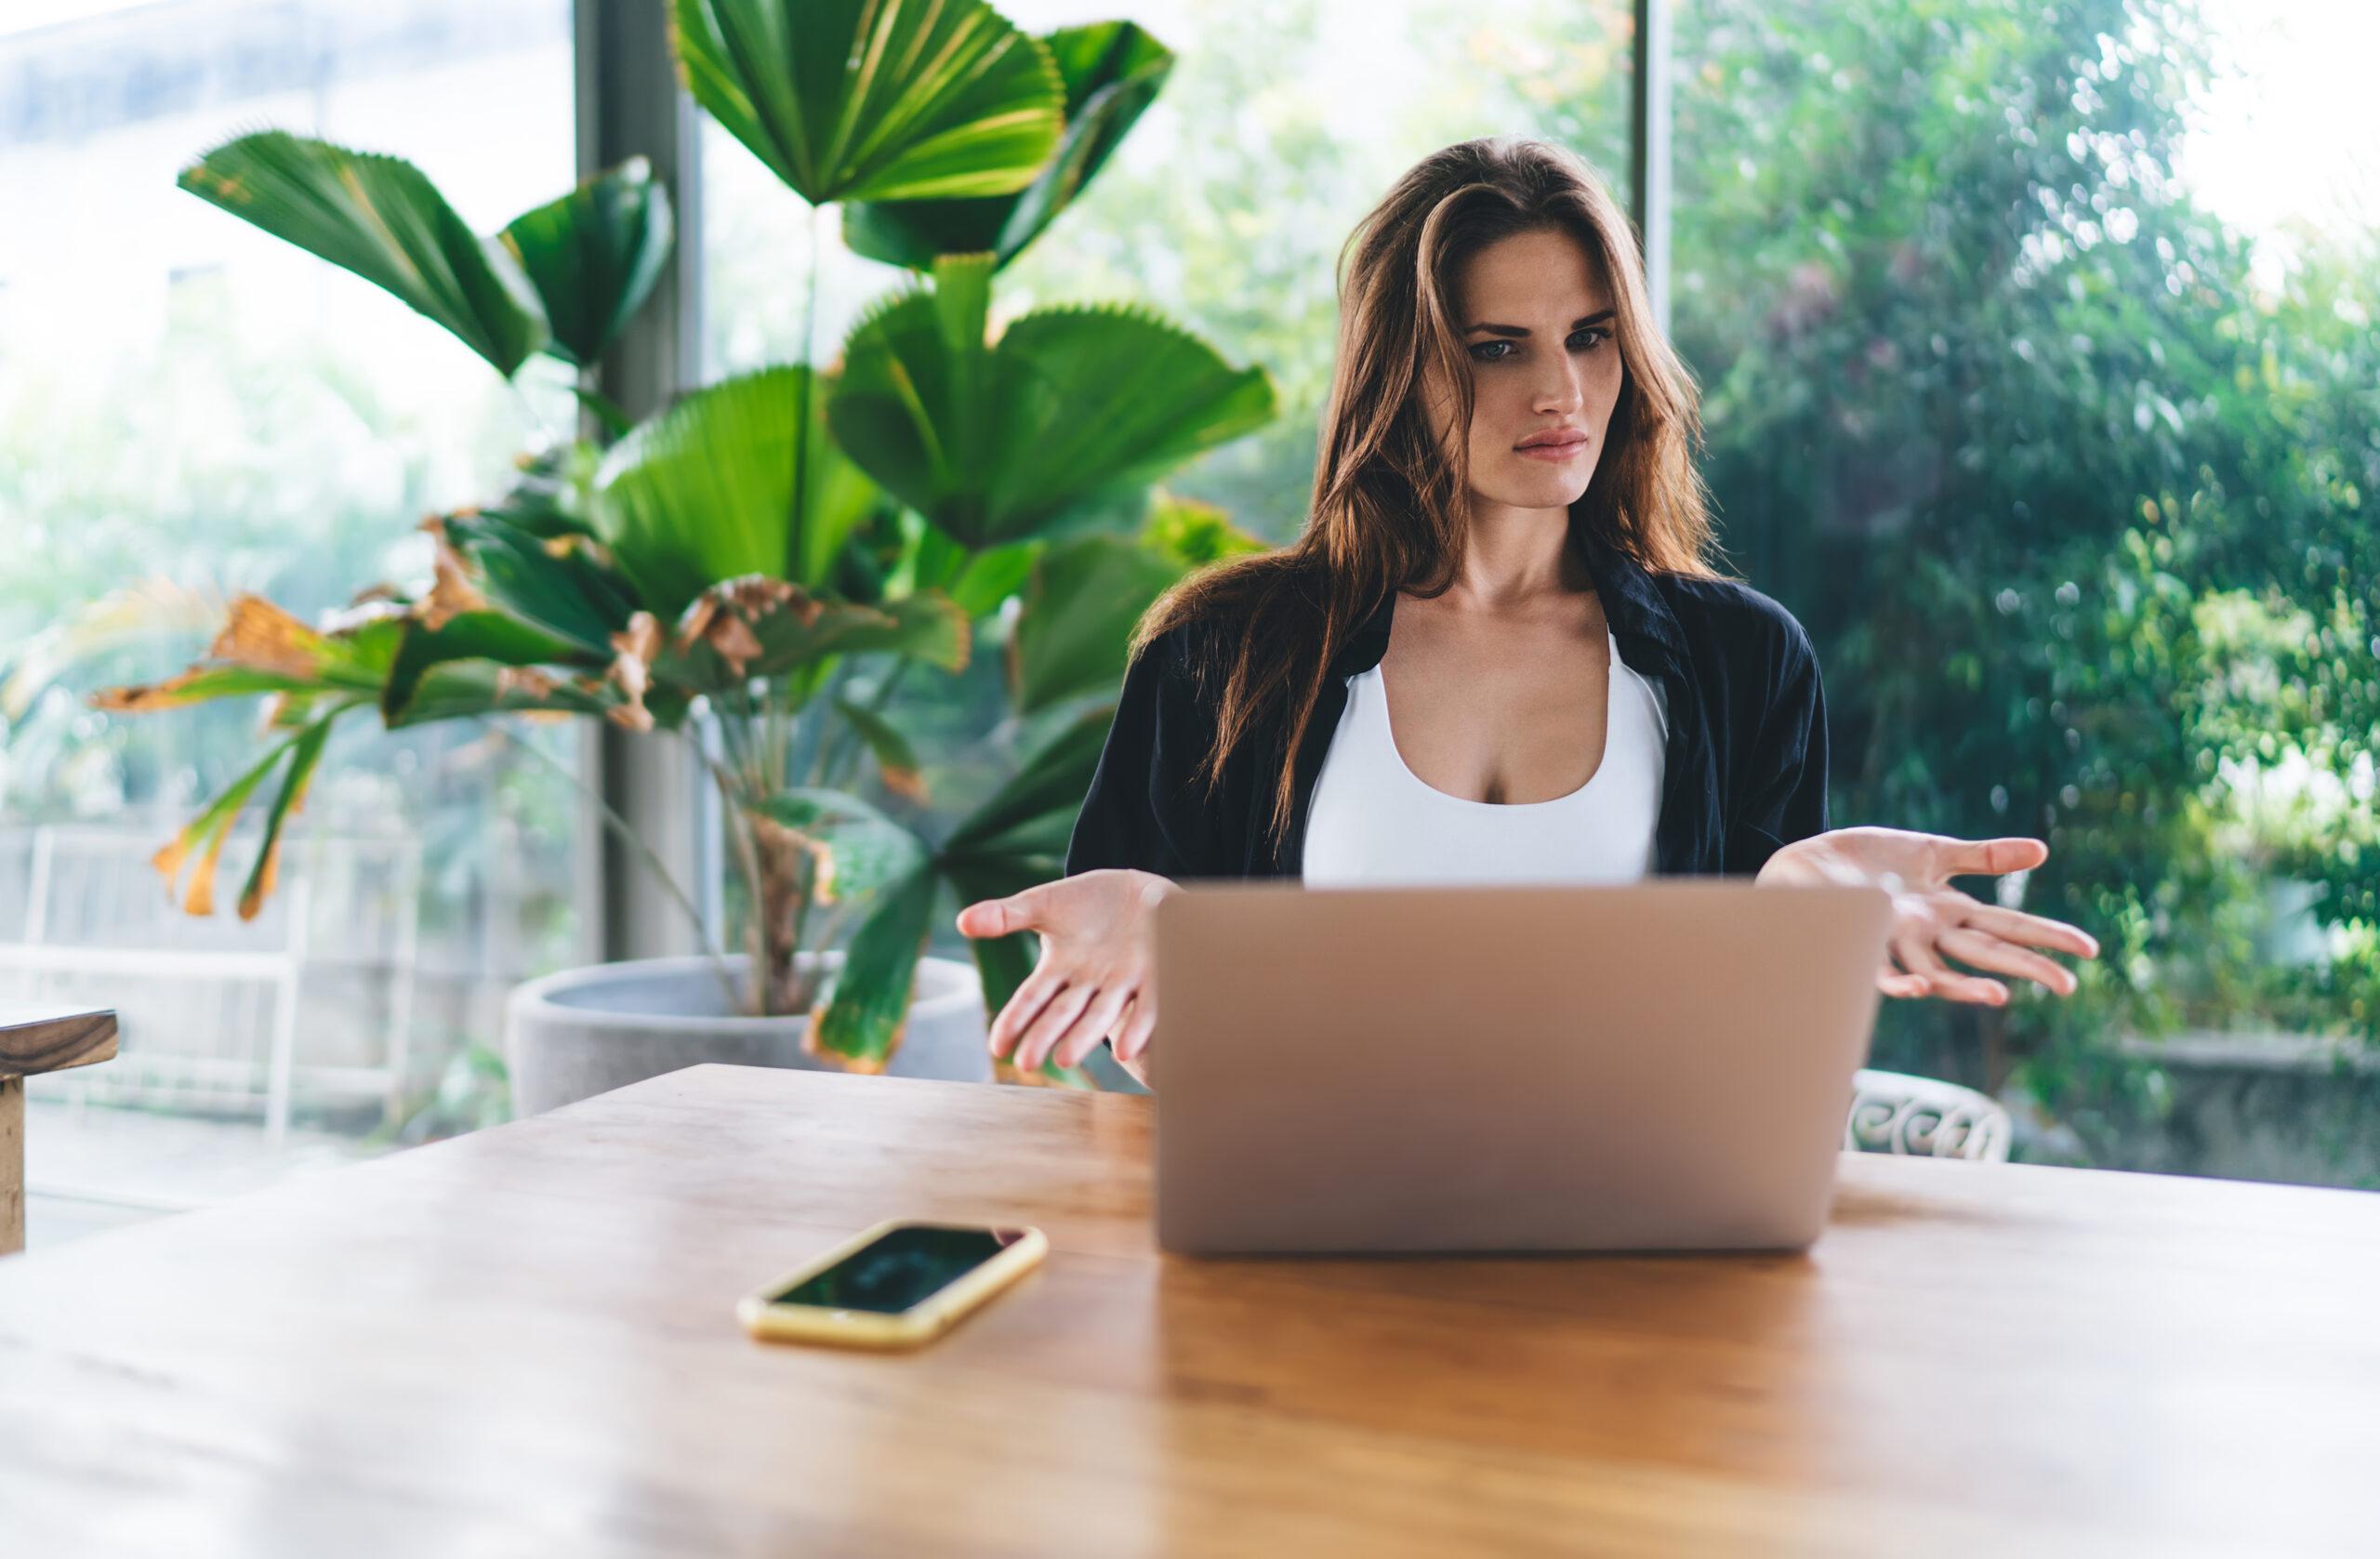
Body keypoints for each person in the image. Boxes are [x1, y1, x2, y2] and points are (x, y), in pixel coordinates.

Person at [956, 136, 2098, 1089]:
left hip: (1631, 1261)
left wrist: (1786, 912)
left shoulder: (1742, 661)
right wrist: (1165, 963)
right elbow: (1155, 1048)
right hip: (1310, 1258)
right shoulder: (1224, 654)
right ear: (1400, 372)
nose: (1559, 392)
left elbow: (1749, 1066)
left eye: (1589, 337)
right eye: (1496, 348)